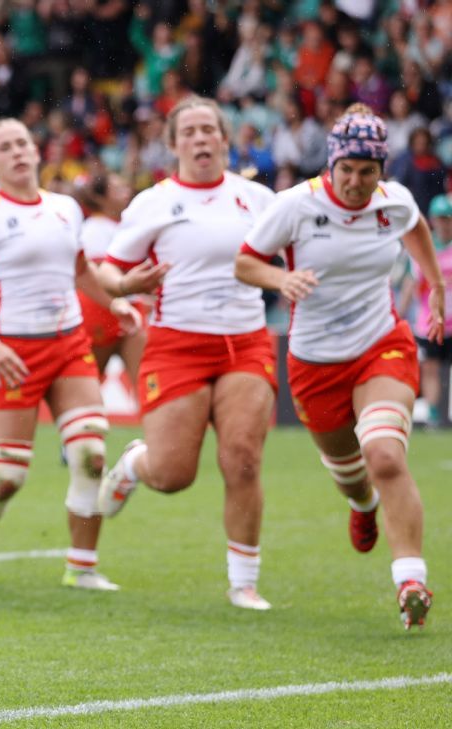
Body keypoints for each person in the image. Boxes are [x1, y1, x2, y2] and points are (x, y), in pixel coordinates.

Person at [235, 105, 440, 629]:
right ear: (331, 164)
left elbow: (416, 229)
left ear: (381, 170)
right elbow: (245, 262)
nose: (354, 181)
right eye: (346, 169)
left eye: (367, 171)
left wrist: (436, 287)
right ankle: (361, 504)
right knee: (351, 475)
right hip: (315, 363)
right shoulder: (295, 205)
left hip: (381, 345)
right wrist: (281, 280)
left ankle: (411, 581)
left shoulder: (394, 201)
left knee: (385, 454)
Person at [0, 119, 140, 590]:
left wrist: (114, 303)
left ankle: (81, 567)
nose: (18, 152)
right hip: (14, 352)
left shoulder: (65, 208)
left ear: (37, 151)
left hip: (69, 344)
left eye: (23, 142)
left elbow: (81, 271)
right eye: (5, 147)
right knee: (7, 477)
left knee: (90, 454)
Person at [95, 97, 279, 611]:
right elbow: (109, 271)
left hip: (245, 341)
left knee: (243, 458)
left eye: (208, 130)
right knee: (173, 475)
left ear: (225, 139)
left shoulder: (259, 199)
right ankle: (135, 464)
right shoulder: (153, 203)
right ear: (173, 144)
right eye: (189, 132)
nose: (200, 139)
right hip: (177, 345)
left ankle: (244, 582)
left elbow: (292, 253)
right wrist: (127, 285)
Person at [73, 173, 149, 384]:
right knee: (89, 383)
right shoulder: (94, 229)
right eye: (117, 189)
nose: (126, 193)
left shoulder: (128, 226)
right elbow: (94, 275)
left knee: (145, 382)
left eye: (125, 187)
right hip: (100, 311)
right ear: (100, 198)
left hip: (132, 308)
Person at [403, 194, 452, 427]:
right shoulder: (424, 246)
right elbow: (412, 282)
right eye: (440, 219)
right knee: (430, 367)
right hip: (429, 320)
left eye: (447, 219)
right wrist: (401, 313)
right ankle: (433, 415)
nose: (443, 224)